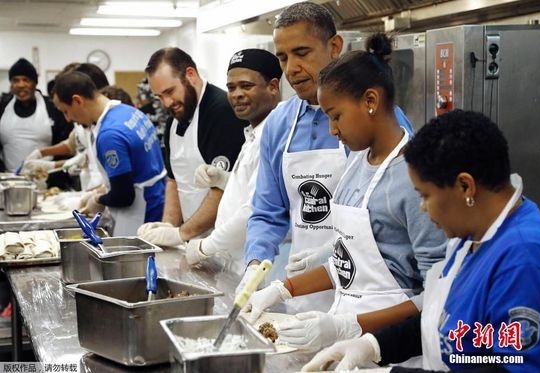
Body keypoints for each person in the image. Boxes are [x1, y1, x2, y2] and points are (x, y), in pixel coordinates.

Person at [302, 110, 540, 372]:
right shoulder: (472, 235)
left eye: (425, 195)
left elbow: (512, 366)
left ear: (465, 187)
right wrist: (374, 345)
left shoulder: (525, 258)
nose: (422, 208)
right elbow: (445, 322)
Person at [244, 36, 447, 353]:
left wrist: (353, 328)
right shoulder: (357, 165)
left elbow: (439, 297)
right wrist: (284, 289)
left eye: (335, 116)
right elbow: (348, 263)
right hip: (346, 342)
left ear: (370, 101)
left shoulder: (414, 179)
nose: (332, 130)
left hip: (395, 350)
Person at [238, 1, 415, 313]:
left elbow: (399, 227)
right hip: (302, 296)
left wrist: (330, 254)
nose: (290, 68)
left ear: (334, 46)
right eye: (282, 57)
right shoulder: (279, 124)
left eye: (302, 53)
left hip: (377, 302)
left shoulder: (379, 123)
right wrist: (255, 265)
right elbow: (267, 212)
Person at [137, 48, 247, 246]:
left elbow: (221, 191)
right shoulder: (175, 120)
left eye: (169, 92)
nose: (167, 103)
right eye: (159, 97)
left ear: (191, 75)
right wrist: (169, 225)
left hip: (227, 244)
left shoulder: (222, 112)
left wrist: (181, 234)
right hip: (194, 240)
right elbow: (173, 180)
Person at [185, 48, 282, 272]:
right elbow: (254, 187)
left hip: (259, 264)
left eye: (246, 86)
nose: (236, 94)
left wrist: (205, 246)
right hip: (237, 261)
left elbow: (256, 207)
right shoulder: (252, 132)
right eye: (231, 87)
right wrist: (223, 179)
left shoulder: (274, 135)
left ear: (273, 87)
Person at [51, 71, 166, 235]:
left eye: (65, 111)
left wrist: (98, 200)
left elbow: (124, 196)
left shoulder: (109, 134)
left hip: (140, 214)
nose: (68, 119)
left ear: (77, 100)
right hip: (157, 200)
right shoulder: (128, 112)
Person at [22, 62, 110, 191]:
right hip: (92, 187)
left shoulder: (108, 122)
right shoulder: (82, 114)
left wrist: (94, 199)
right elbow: (73, 143)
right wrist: (41, 154)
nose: (68, 119)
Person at [0, 58, 72, 174]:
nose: (21, 85)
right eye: (15, 80)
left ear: (35, 82)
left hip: (47, 178)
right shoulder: (2, 107)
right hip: (9, 178)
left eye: (26, 80)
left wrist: (53, 170)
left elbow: (66, 144)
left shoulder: (52, 108)